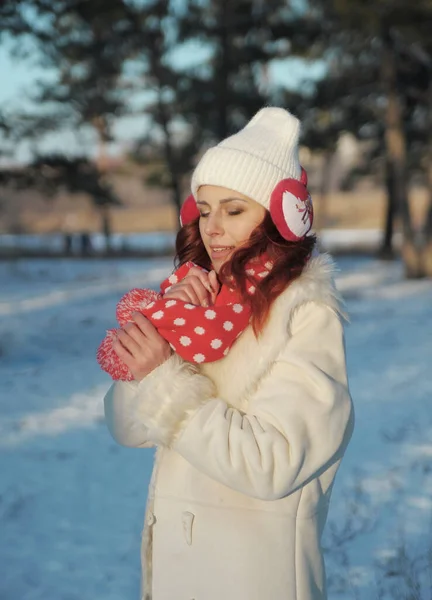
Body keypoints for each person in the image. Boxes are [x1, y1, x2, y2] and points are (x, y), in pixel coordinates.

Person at [103, 107, 354, 600]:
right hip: (178, 577)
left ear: (280, 216)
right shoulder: (200, 301)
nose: (213, 227)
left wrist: (164, 379)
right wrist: (165, 332)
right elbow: (125, 427)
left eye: (234, 210)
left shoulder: (305, 312)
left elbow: (273, 462)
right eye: (205, 208)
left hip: (252, 579)